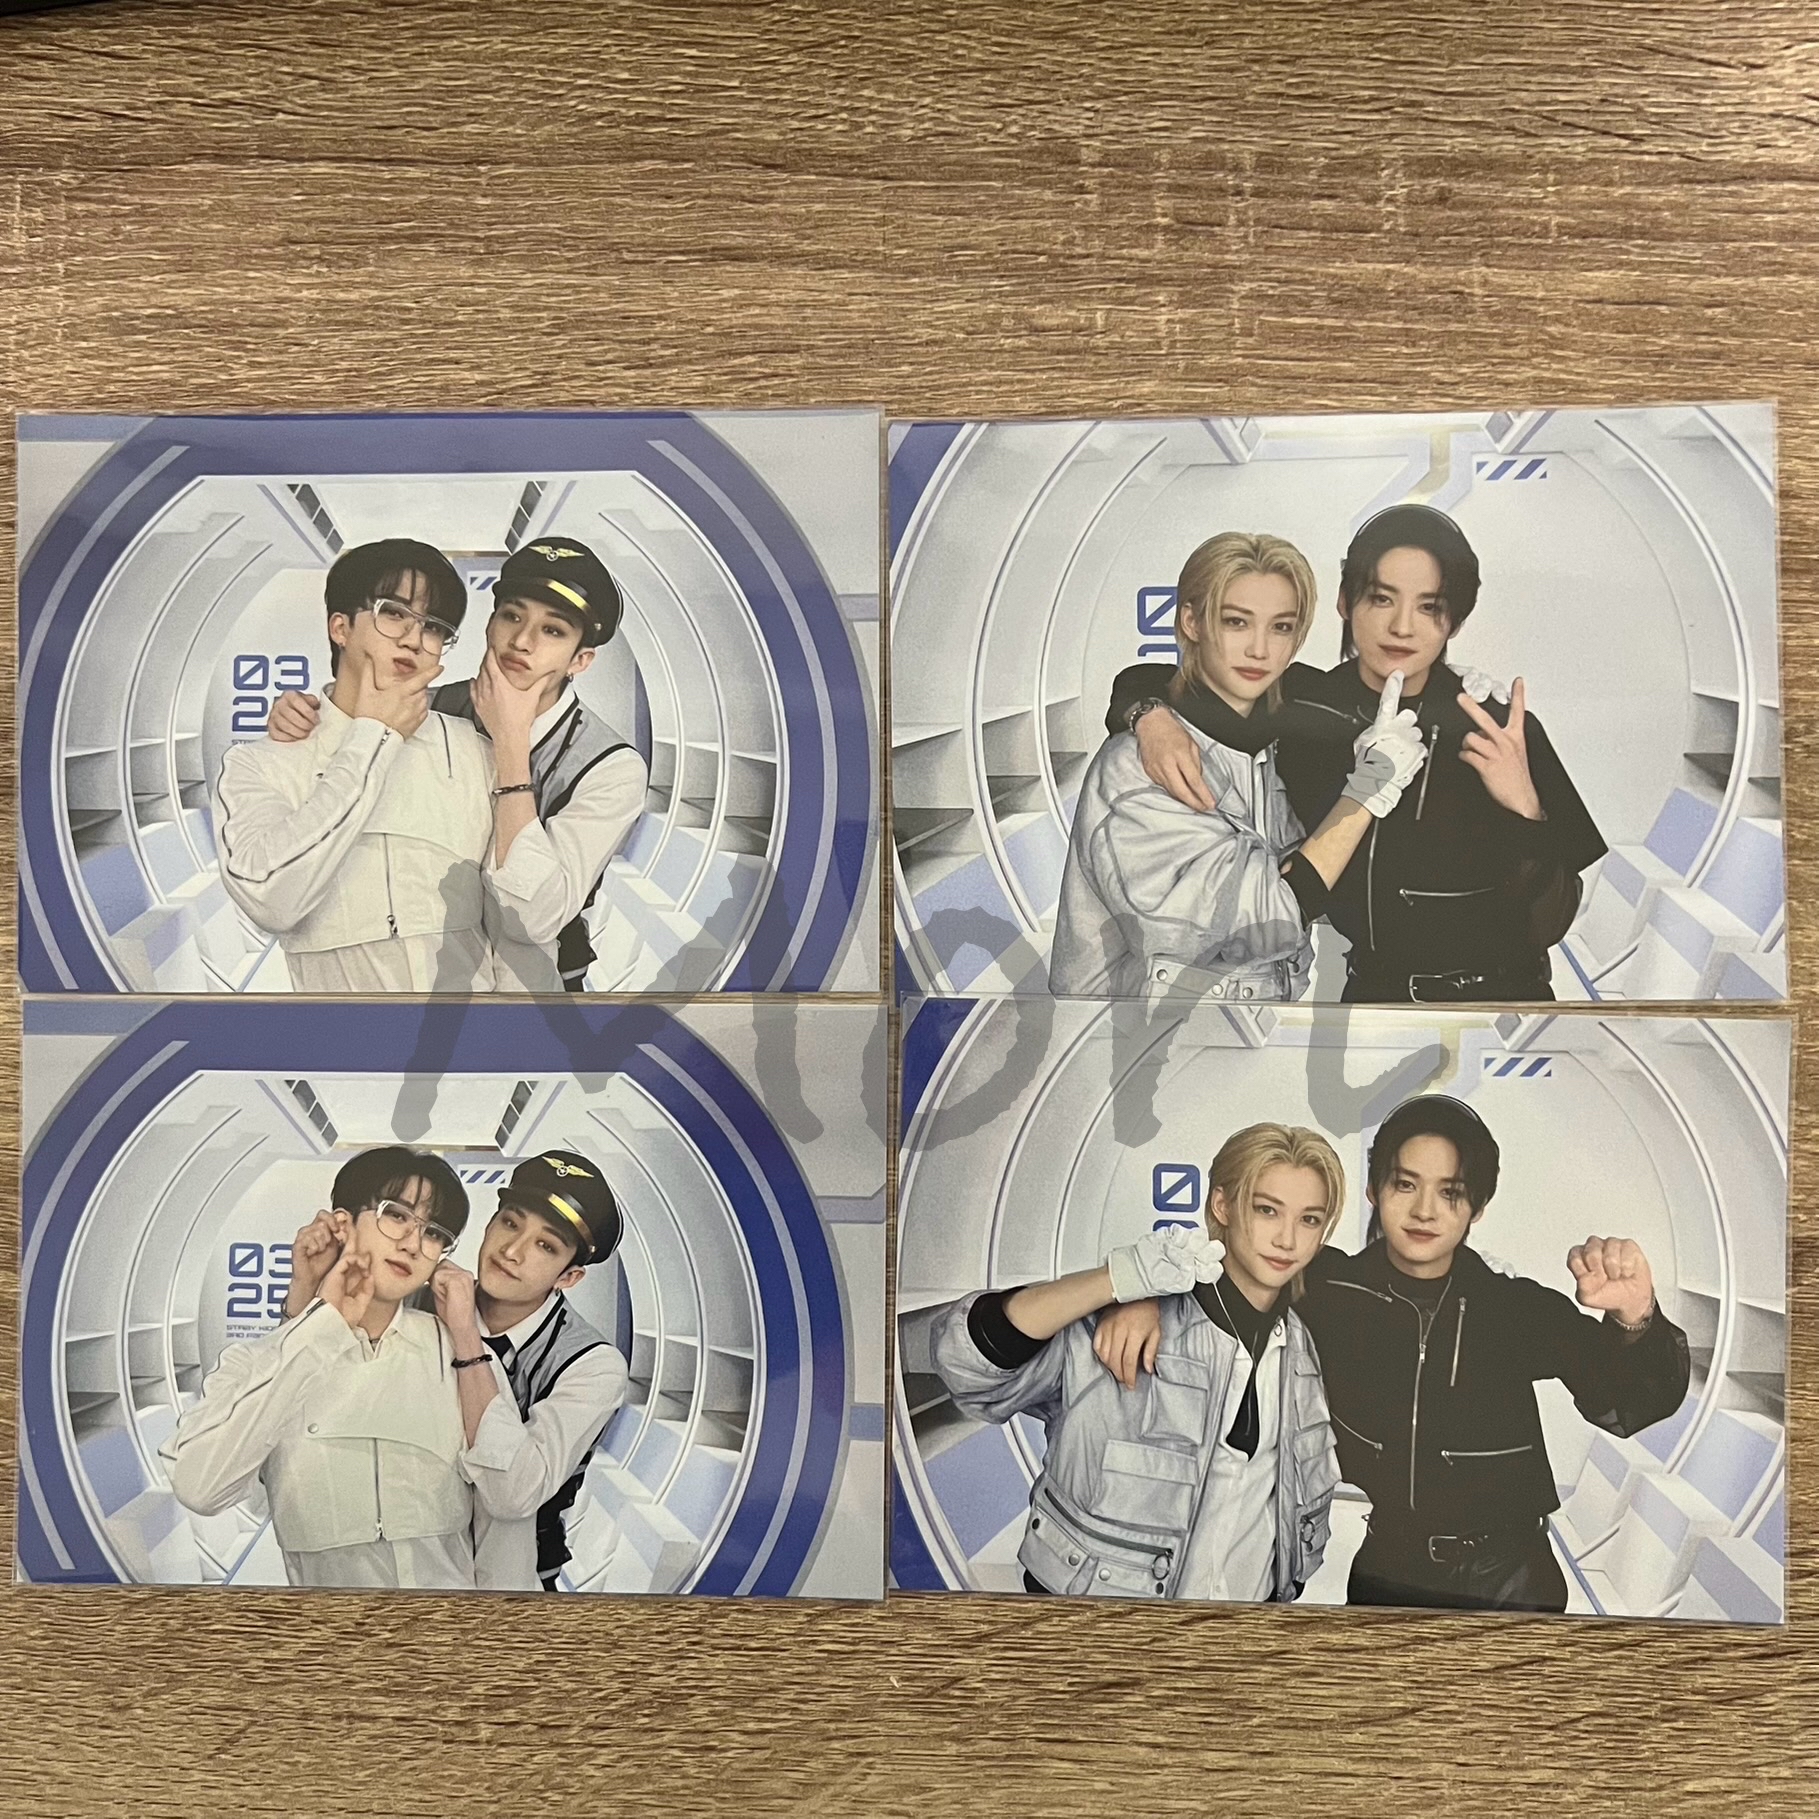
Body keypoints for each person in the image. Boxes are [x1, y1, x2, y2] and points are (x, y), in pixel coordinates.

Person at [1094, 1096, 1691, 1612]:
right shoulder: (1325, 1288)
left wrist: (1636, 1316)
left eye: (1450, 1192)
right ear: (1376, 1191)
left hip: (1511, 1580)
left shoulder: (1512, 1308)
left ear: (1477, 1208)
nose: (1425, 1211)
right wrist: (1147, 1298)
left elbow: (1630, 1403)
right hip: (1388, 1568)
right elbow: (1234, 1276)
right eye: (1405, 1184)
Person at [1105, 504, 1607, 1002]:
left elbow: (1553, 922)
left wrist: (1525, 808)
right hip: (1371, 999)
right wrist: (1148, 715)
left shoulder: (1497, 726)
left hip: (1504, 1001)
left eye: (1429, 606)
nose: (1402, 627)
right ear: (1346, 601)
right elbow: (1191, 680)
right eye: (1382, 598)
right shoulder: (1302, 706)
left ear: (1453, 621)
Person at [929, 1124, 1347, 1603]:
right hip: (1106, 1630)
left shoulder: (1303, 1343)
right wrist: (1116, 1281)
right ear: (1222, 1206)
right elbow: (965, 1367)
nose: (1287, 1239)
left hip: (1241, 1629)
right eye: (1266, 1209)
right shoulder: (1125, 1327)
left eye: (1309, 1219)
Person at [1050, 531, 1427, 1000]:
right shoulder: (1139, 765)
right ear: (1191, 621)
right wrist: (1366, 791)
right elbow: (1259, 924)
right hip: (1133, 1039)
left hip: (1243, 1029)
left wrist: (1467, 691)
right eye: (1236, 622)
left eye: (1281, 627)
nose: (1259, 650)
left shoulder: (1277, 738)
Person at [268, 538, 648, 992]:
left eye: (552, 631)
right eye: (512, 616)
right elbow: (350, 734)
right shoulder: (425, 707)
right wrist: (304, 714)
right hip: (426, 984)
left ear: (580, 659)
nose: (521, 642)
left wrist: (510, 746)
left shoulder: (610, 768)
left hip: (538, 999)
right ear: (490, 623)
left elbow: (532, 920)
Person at [161, 1147, 501, 1591]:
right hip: (329, 1629)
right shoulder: (260, 1360)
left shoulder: (457, 1353)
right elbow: (201, 1488)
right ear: (343, 1223)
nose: (413, 1244)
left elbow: (507, 1496)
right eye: (396, 1215)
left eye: (434, 1232)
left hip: (449, 1626)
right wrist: (320, 1325)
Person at [215, 538, 496, 993]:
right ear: (340, 627)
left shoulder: (473, 751)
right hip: (341, 1032)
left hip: (472, 1028)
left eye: (433, 626)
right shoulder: (259, 763)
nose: (413, 639)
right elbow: (271, 898)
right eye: (394, 613)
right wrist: (372, 736)